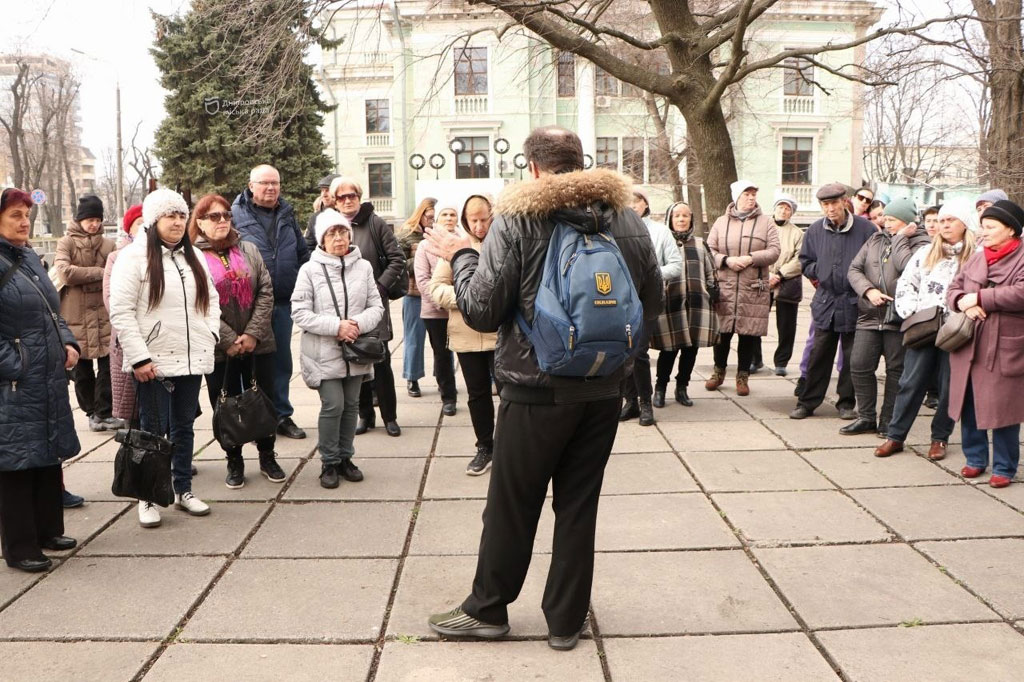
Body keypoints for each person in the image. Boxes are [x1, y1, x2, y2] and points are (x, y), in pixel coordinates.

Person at [423, 126, 662, 651]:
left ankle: (487, 609)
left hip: (535, 389)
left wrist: (464, 253)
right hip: (601, 392)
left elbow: (483, 309)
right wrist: (616, 366)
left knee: (512, 503)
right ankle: (565, 620)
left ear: (532, 167)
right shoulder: (627, 219)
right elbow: (651, 301)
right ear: (582, 162)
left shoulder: (517, 218)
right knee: (579, 506)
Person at [109, 189, 221, 527]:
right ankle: (148, 497)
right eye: (169, 215)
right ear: (154, 220)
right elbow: (122, 311)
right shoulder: (133, 257)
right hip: (153, 361)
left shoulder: (194, 257)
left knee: (184, 427)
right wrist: (140, 358)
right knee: (152, 431)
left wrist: (210, 333)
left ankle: (183, 489)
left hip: (191, 357)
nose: (176, 221)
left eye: (181, 215)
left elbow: (211, 299)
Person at [0, 188, 80, 572]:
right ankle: (20, 547)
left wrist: (67, 341)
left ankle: (48, 529)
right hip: (14, 381)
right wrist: (14, 363)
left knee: (46, 452)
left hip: (46, 375)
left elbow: (52, 309)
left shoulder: (29, 256)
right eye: (15, 214)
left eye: (26, 214)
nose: (23, 221)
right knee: (16, 462)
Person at [190, 194, 285, 489]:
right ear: (200, 223)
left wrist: (253, 333)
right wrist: (229, 339)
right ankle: (234, 459)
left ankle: (267, 455)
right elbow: (198, 303)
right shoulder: (192, 258)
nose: (222, 221)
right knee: (226, 403)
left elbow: (266, 292)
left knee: (265, 399)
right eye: (214, 217)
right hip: (220, 349)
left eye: (226, 215)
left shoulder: (249, 249)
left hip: (259, 343)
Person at [875, 198, 977, 460]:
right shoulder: (925, 253)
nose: (944, 225)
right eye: (941, 220)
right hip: (924, 327)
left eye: (950, 220)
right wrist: (911, 312)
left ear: (964, 223)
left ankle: (939, 439)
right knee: (910, 382)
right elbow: (906, 284)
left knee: (948, 386)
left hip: (957, 331)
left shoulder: (976, 257)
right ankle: (895, 436)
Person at [292, 209, 384, 488]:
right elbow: (299, 312)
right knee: (333, 405)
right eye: (332, 233)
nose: (339, 238)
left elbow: (376, 306)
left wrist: (355, 323)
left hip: (356, 351)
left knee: (352, 406)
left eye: (343, 231)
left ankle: (346, 457)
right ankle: (329, 462)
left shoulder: (364, 266)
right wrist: (336, 326)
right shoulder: (309, 269)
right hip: (323, 352)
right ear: (321, 238)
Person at [946, 199, 1024, 488]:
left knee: (1003, 407)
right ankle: (975, 459)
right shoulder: (978, 256)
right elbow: (954, 287)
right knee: (969, 403)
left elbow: (1021, 292)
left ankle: (1004, 466)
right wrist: (962, 303)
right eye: (983, 226)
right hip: (969, 343)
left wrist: (980, 298)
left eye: (990, 227)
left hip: (1004, 345)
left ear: (1011, 231)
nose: (983, 231)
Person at [232, 164, 309, 440]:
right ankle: (252, 419)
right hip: (247, 306)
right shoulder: (235, 216)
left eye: (275, 183)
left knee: (280, 363)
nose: (270, 188)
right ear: (251, 185)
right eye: (264, 183)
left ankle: (281, 415)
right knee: (248, 365)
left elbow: (303, 253)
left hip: (281, 304)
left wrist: (299, 280)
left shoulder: (287, 214)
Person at [844, 198, 930, 437]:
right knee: (859, 365)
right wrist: (868, 290)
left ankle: (889, 422)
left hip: (899, 318)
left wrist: (901, 237)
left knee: (896, 371)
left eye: (891, 219)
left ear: (906, 220)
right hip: (870, 315)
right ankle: (866, 417)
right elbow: (854, 269)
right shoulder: (876, 239)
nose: (885, 222)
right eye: (885, 218)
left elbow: (907, 266)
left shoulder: (922, 242)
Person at [790, 183, 876, 420]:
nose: (830, 209)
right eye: (825, 205)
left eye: (833, 203)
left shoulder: (866, 229)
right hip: (826, 301)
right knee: (819, 354)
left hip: (854, 301)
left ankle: (846, 403)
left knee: (850, 357)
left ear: (844, 201)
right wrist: (821, 271)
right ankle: (807, 402)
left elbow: (875, 262)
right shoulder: (815, 230)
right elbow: (805, 261)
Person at [328, 177, 406, 437]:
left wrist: (380, 288)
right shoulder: (330, 225)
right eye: (342, 197)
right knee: (355, 361)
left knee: (381, 362)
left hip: (374, 306)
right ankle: (366, 416)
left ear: (359, 197)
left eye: (352, 195)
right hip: (344, 308)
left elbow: (397, 259)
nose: (348, 200)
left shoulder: (375, 223)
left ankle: (390, 417)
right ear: (334, 201)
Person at [429, 195, 500, 475]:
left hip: (499, 335)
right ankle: (485, 446)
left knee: (509, 393)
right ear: (465, 221)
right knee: (477, 394)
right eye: (474, 220)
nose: (480, 226)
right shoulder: (457, 248)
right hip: (467, 336)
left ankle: (509, 447)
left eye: (484, 219)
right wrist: (469, 296)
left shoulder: (501, 246)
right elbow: (436, 289)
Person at [705, 180, 780, 397]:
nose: (751, 198)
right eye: (747, 194)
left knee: (748, 334)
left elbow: (775, 250)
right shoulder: (721, 222)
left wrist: (750, 258)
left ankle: (742, 376)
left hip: (752, 287)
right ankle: (718, 372)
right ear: (737, 197)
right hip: (725, 286)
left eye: (754, 194)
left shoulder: (766, 222)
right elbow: (709, 250)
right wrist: (726, 260)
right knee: (723, 333)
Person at [55, 195, 118, 432]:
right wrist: (100, 272)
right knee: (81, 370)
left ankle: (105, 412)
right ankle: (91, 412)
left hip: (103, 314)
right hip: (75, 316)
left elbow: (116, 272)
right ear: (80, 219)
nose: (94, 224)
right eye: (89, 219)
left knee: (108, 367)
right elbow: (65, 273)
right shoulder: (66, 243)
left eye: (97, 219)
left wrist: (93, 274)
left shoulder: (108, 245)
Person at [620, 189, 681, 424]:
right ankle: (630, 401)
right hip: (622, 301)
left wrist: (650, 275)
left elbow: (676, 265)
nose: (632, 205)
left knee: (638, 351)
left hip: (648, 300)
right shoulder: (616, 228)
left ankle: (646, 403)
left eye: (637, 201)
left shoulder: (659, 231)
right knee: (624, 351)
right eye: (628, 202)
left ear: (646, 204)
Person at [650, 201, 718, 408]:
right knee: (669, 349)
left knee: (691, 349)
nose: (681, 219)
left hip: (696, 303)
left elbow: (710, 271)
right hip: (670, 303)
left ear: (691, 219)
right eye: (677, 216)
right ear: (670, 219)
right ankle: (660, 388)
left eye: (685, 216)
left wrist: (712, 289)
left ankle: (682, 388)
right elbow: (654, 270)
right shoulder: (661, 240)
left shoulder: (699, 244)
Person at [415, 200, 460, 418]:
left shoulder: (464, 242)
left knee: (468, 353)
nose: (449, 218)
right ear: (437, 220)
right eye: (445, 215)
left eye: (453, 214)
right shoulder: (426, 245)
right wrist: (441, 301)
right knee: (442, 354)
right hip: (435, 311)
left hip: (462, 309)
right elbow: (422, 279)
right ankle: (448, 397)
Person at [104, 204, 143, 425]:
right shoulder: (116, 257)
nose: (146, 226)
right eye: (139, 222)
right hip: (128, 337)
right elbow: (111, 300)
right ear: (129, 228)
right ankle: (139, 458)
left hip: (163, 339)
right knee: (134, 407)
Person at [396, 197, 436, 398]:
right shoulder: (406, 236)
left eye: (434, 217)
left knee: (443, 341)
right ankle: (412, 378)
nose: (432, 221)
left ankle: (443, 377)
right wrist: (423, 259)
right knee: (414, 339)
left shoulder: (438, 234)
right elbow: (399, 265)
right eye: (429, 217)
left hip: (437, 294)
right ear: (421, 215)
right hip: (414, 294)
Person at [767, 195, 803, 376]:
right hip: (763, 278)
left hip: (786, 281)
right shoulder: (763, 228)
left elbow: (800, 259)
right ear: (774, 209)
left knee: (787, 325)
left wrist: (780, 274)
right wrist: (767, 274)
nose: (783, 210)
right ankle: (754, 358)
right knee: (755, 322)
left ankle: (781, 361)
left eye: (787, 208)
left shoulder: (797, 233)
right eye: (780, 207)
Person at [304, 173, 341, 251]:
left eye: (327, 190)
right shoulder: (315, 218)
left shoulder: (349, 215)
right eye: (322, 190)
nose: (324, 195)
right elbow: (308, 247)